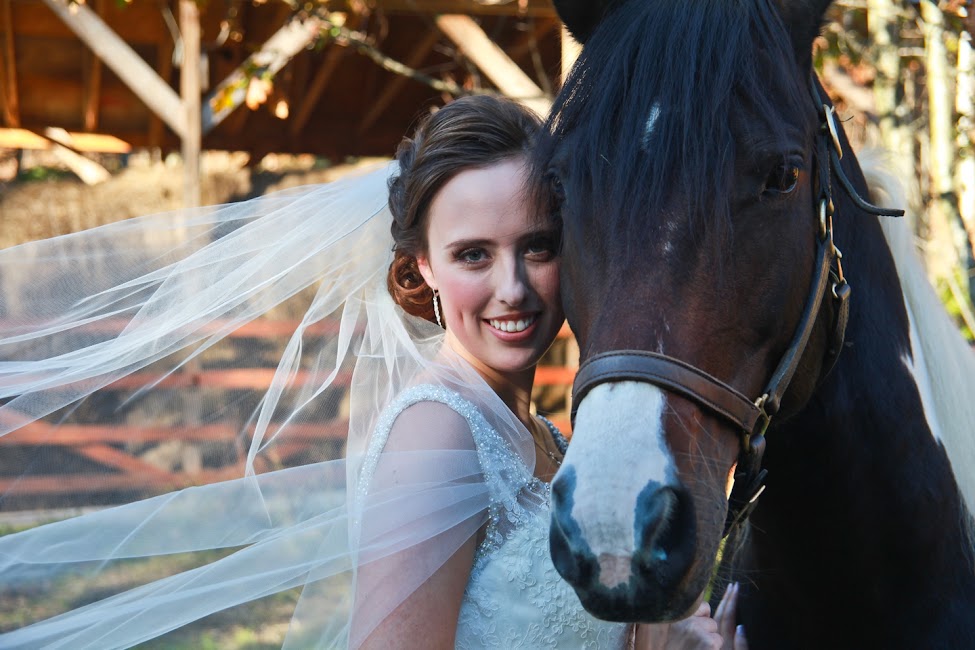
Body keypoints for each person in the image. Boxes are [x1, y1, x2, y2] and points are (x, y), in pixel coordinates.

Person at [0, 94, 744, 649]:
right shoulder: (440, 434)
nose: (511, 288)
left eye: (538, 246)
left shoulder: (540, 435)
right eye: (473, 255)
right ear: (422, 265)